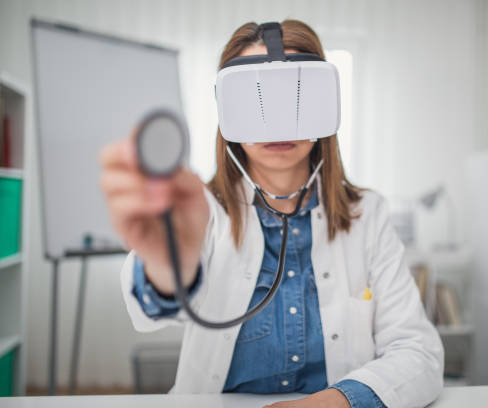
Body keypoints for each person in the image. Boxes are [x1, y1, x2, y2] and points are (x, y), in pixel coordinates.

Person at [99, 19, 443, 408]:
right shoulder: (201, 211)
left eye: (295, 95)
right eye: (257, 99)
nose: (277, 121)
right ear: (226, 111)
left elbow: (418, 353)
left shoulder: (368, 214)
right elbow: (149, 314)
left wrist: (327, 405)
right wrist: (169, 265)